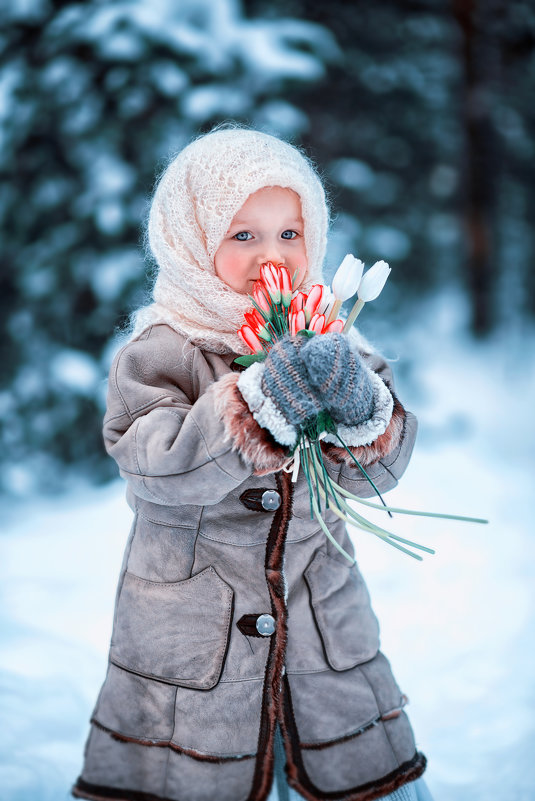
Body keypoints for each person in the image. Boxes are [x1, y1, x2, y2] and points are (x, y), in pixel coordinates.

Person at [72, 126, 433, 801]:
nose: (272, 253)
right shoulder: (160, 348)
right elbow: (156, 471)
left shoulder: (333, 336)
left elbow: (377, 474)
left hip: (322, 637)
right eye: (243, 235)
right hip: (190, 652)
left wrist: (361, 408)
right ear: (189, 237)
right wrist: (254, 400)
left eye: (289, 233)